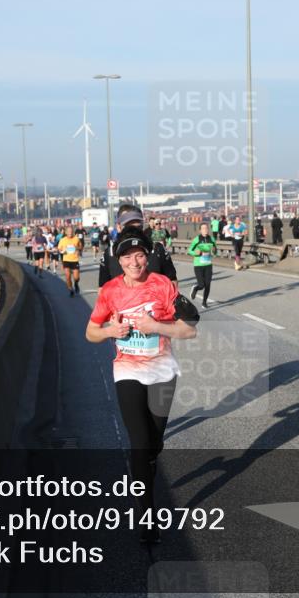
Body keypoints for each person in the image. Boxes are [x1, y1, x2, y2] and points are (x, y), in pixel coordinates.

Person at [86, 227, 197, 544]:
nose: (134, 262)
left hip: (162, 371)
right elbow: (91, 333)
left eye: (139, 255)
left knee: (153, 443)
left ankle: (148, 461)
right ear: (118, 260)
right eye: (127, 256)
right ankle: (147, 518)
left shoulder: (162, 285)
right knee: (139, 442)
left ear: (147, 256)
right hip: (128, 371)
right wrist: (110, 332)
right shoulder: (110, 291)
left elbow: (189, 329)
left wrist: (158, 325)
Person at [99, 204, 178, 290]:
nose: (134, 232)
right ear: (118, 227)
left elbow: (172, 283)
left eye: (138, 228)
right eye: (129, 228)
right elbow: (102, 290)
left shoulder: (157, 249)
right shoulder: (109, 253)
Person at [188, 223, 217, 308]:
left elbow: (215, 252)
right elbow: (189, 250)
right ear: (200, 230)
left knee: (207, 284)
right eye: (203, 228)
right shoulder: (197, 239)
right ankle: (195, 288)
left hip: (208, 264)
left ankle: (204, 302)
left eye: (206, 228)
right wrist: (196, 253)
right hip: (198, 265)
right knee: (201, 285)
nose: (205, 230)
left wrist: (214, 251)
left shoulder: (212, 239)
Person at [58, 224, 84, 297]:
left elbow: (80, 246)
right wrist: (62, 251)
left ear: (73, 232)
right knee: (67, 276)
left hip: (75, 260)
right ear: (66, 232)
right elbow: (59, 249)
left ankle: (76, 284)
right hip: (66, 260)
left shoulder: (76, 239)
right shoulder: (63, 240)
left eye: (71, 231)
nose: (70, 233)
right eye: (68, 231)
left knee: (76, 277)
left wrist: (78, 248)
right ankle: (70, 289)